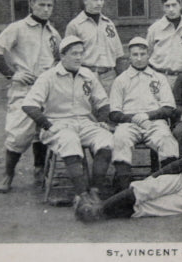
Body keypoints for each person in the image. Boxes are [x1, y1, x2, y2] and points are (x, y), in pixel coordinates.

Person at [22, 36, 114, 202]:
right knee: (69, 140)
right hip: (58, 123)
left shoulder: (88, 75)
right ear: (62, 56)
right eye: (74, 54)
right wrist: (48, 125)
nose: (79, 57)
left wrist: (102, 120)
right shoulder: (48, 77)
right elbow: (29, 105)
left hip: (85, 123)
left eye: (81, 53)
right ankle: (82, 194)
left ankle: (95, 189)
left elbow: (103, 102)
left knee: (106, 139)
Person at [0, 0, 61, 193]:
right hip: (24, 89)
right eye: (41, 5)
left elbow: (59, 58)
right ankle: (8, 175)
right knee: (18, 133)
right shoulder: (18, 27)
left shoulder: (53, 33)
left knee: (43, 131)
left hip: (45, 88)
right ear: (32, 5)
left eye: (49, 5)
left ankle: (39, 172)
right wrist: (12, 75)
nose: (46, 9)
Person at [108, 37, 179, 191]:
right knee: (120, 139)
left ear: (148, 55)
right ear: (129, 57)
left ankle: (168, 186)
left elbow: (169, 108)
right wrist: (133, 118)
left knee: (167, 140)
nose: (139, 58)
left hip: (154, 122)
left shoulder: (159, 78)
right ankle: (124, 189)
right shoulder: (121, 80)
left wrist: (148, 116)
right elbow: (114, 113)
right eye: (135, 54)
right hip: (129, 123)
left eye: (142, 54)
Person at [65, 0, 124, 93]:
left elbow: (118, 55)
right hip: (86, 76)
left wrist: (122, 79)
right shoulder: (75, 25)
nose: (99, 3)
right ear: (85, 0)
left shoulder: (109, 24)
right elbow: (68, 58)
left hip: (109, 78)